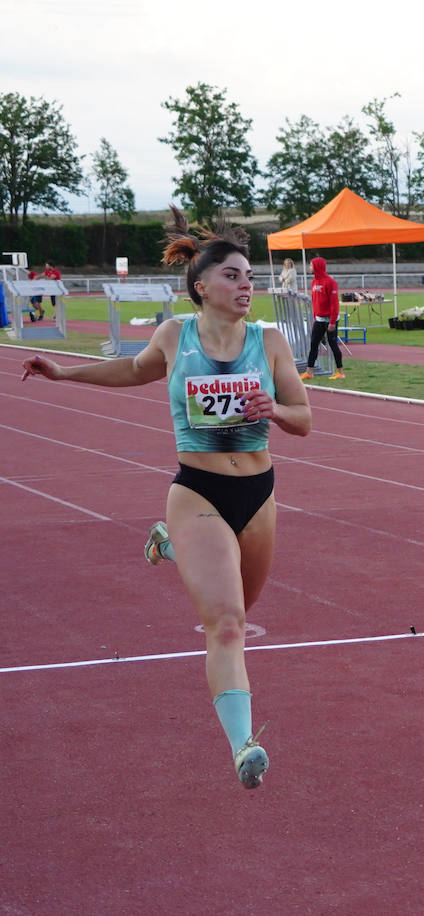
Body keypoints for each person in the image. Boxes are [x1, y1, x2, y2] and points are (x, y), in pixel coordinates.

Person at [20, 207, 312, 789]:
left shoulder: (271, 342)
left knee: (241, 609)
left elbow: (304, 419)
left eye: (249, 275)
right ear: (201, 286)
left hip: (257, 493)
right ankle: (242, 747)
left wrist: (274, 410)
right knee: (226, 624)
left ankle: (170, 547)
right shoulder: (176, 335)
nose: (245, 285)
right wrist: (64, 375)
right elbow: (133, 369)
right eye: (232, 276)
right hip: (197, 490)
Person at [300, 256, 345, 381]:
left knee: (333, 344)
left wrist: (332, 322)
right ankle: (309, 372)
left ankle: (340, 372)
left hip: (330, 320)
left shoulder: (330, 282)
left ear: (317, 266)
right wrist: (315, 316)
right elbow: (315, 301)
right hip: (319, 319)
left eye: (310, 265)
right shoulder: (314, 282)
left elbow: (334, 304)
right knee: (314, 343)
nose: (309, 267)